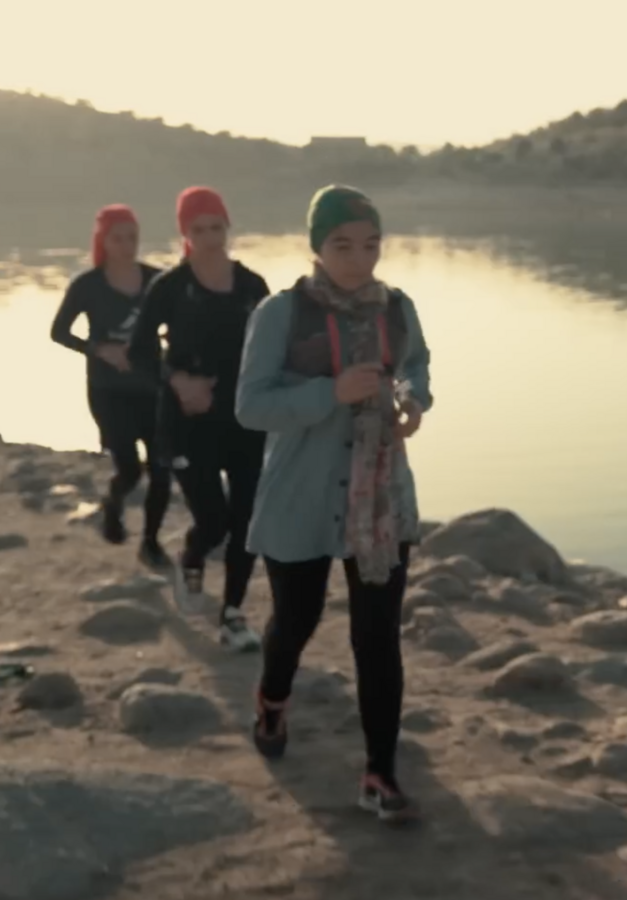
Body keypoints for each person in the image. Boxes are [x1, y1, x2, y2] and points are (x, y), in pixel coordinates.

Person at [235, 185, 431, 822]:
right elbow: (252, 406)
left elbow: (418, 368)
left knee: (378, 639)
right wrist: (332, 392)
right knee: (297, 618)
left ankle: (380, 772)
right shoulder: (280, 313)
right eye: (343, 245)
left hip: (382, 496)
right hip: (301, 499)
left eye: (370, 244)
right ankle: (272, 697)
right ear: (317, 246)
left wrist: (412, 403)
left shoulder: (397, 307)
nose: (359, 258)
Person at [127, 186, 271, 651]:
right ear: (185, 233)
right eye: (199, 230)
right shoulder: (169, 288)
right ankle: (192, 556)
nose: (210, 238)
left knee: (247, 520)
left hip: (246, 423)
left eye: (217, 228)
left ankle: (232, 615)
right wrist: (178, 383)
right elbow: (138, 353)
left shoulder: (252, 286)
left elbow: (273, 353)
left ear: (228, 228)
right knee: (214, 521)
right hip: (188, 425)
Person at [49, 204, 173, 569]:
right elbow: (58, 332)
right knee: (130, 469)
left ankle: (151, 542)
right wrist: (99, 349)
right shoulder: (87, 285)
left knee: (162, 468)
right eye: (118, 238)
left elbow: (180, 325)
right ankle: (113, 503)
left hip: (153, 387)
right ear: (104, 240)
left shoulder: (158, 280)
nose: (127, 245)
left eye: (132, 237)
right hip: (108, 391)